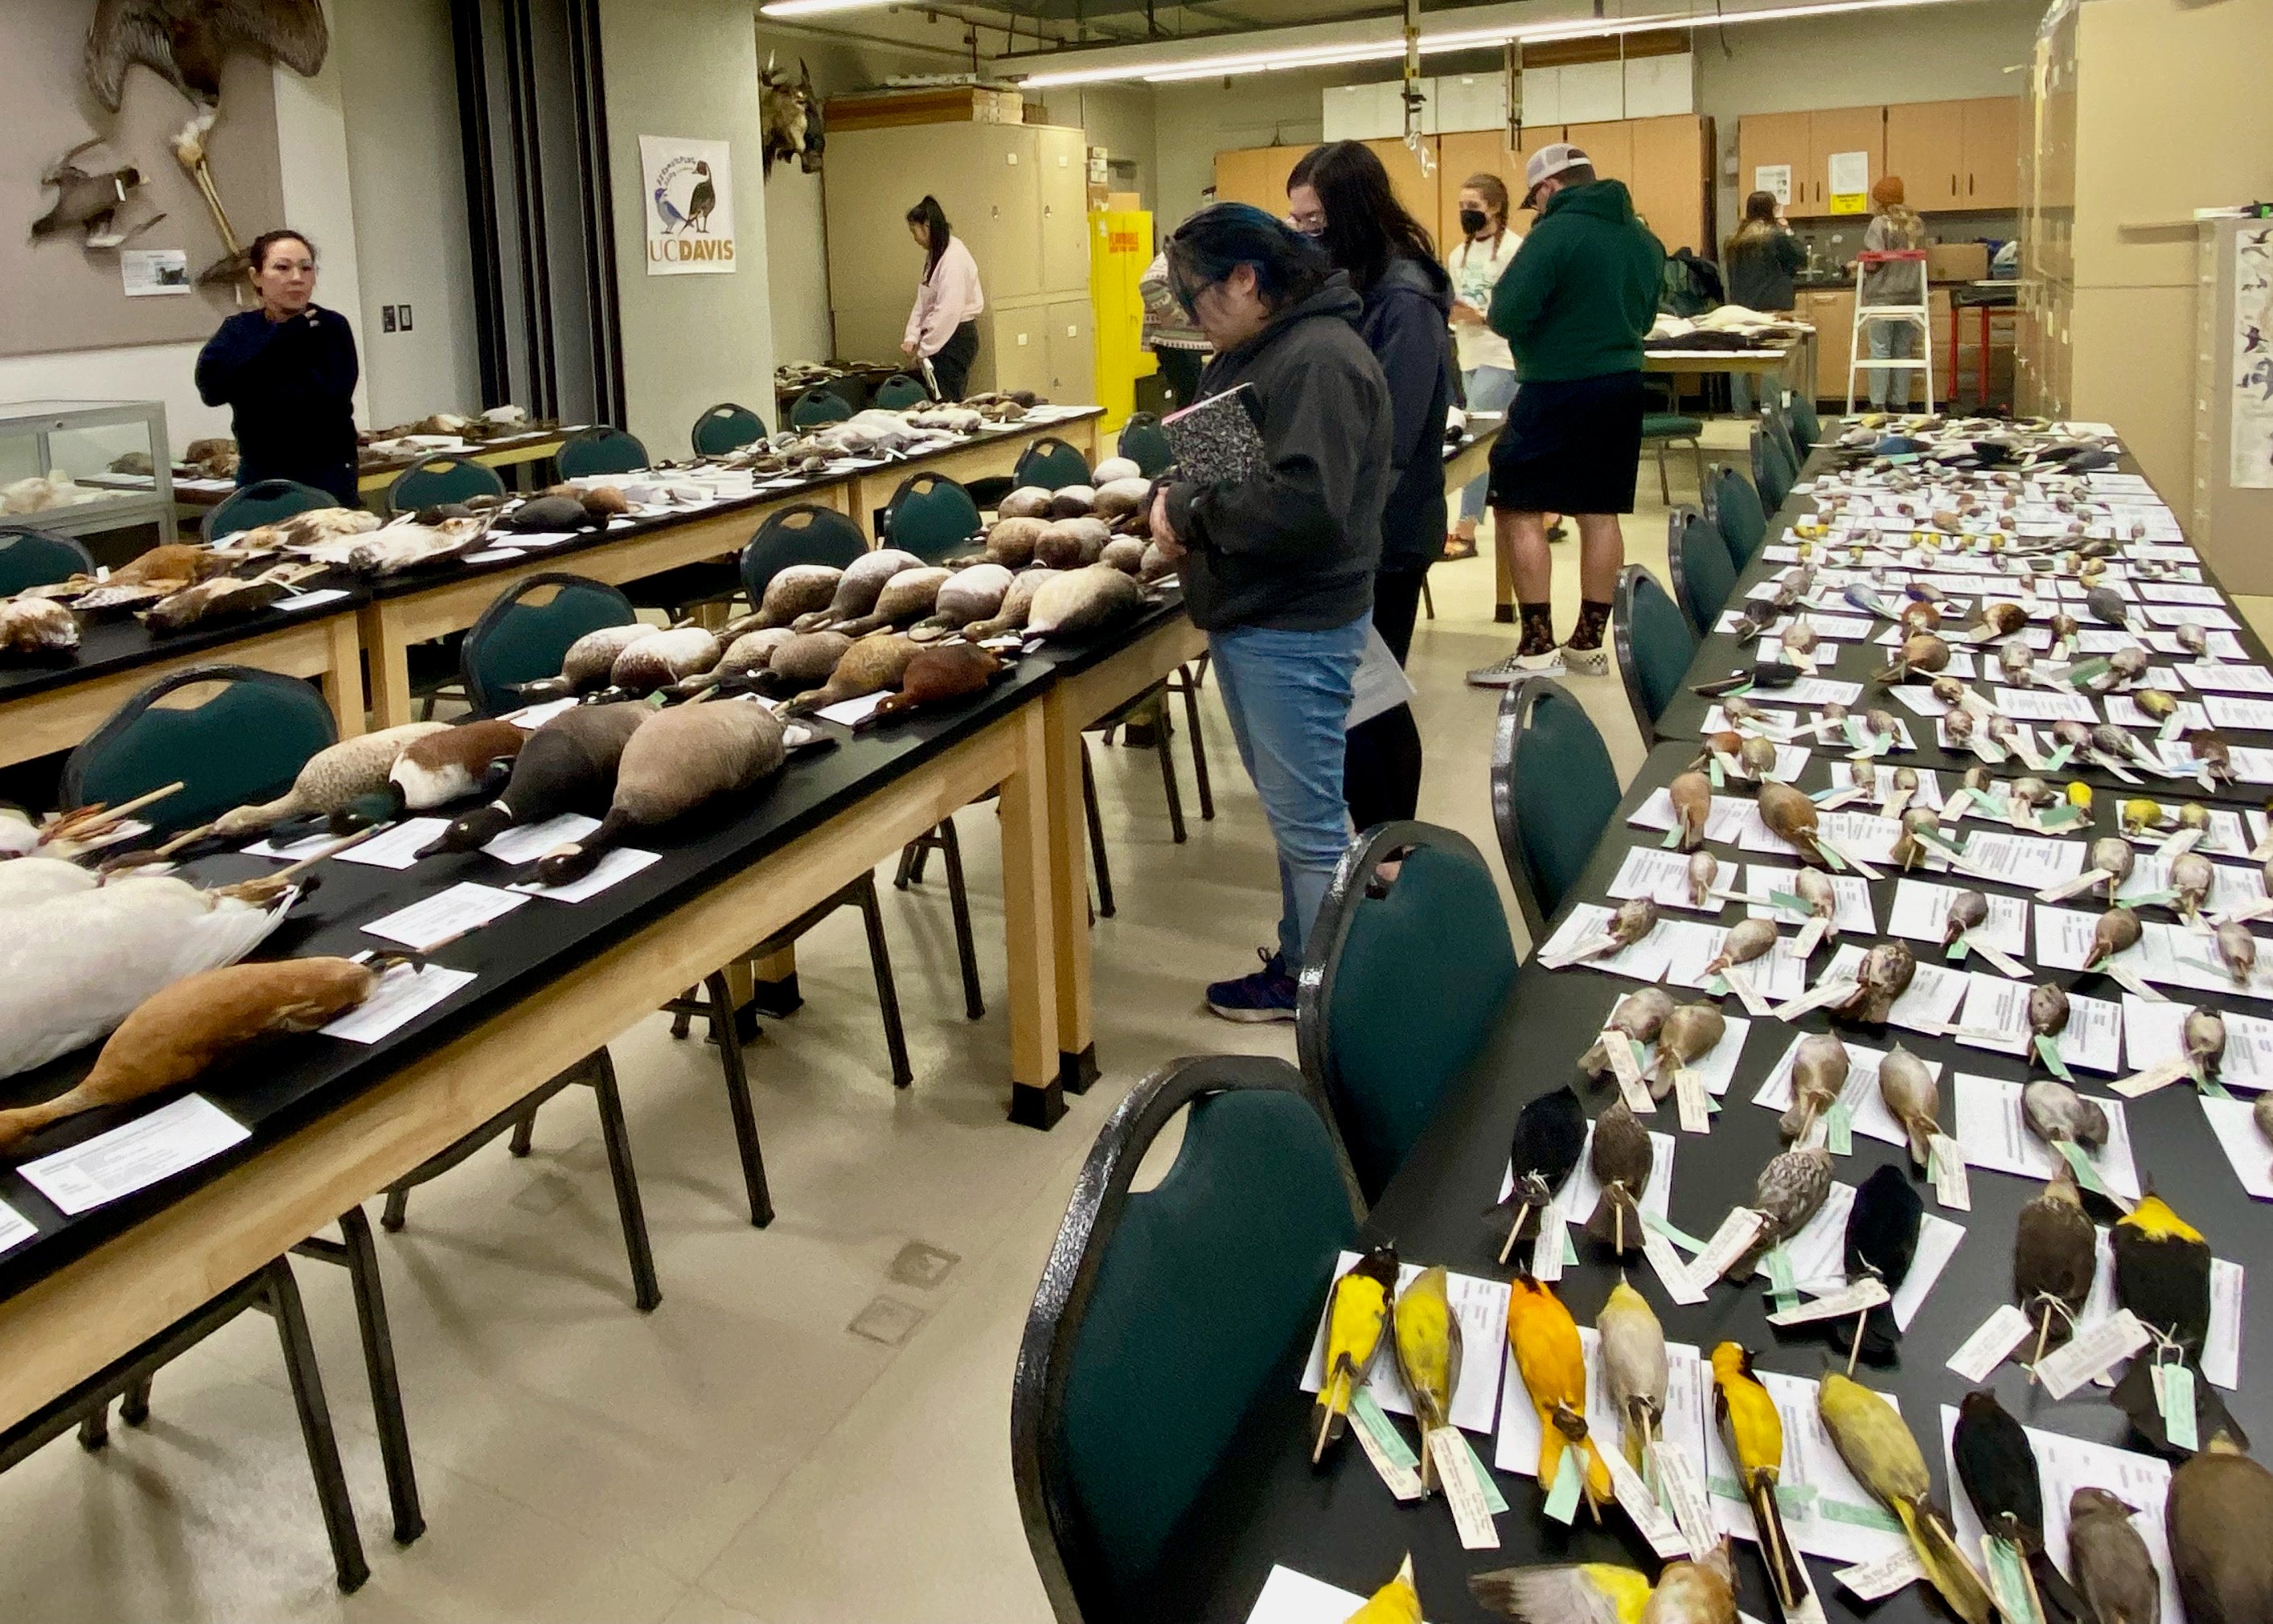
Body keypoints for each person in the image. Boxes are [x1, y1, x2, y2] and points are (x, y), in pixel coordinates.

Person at [1147, 203, 1391, 1021]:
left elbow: (1305, 507)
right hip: (1254, 613)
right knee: (1299, 817)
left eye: (1196, 298)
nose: (1189, 318)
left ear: (1247, 278)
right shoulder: (1255, 348)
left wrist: (1191, 514)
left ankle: (1334, 999)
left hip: (1294, 624)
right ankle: (1301, 963)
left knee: (1313, 825)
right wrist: (1185, 497)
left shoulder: (1317, 359)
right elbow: (1227, 474)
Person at [1285, 141, 1450, 838]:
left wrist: (1328, 524)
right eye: (1294, 222)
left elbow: (1388, 439)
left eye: (1314, 221)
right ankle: (1378, 851)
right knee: (1357, 708)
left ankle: (1388, 854)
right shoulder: (1333, 296)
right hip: (1345, 535)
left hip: (1376, 538)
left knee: (1370, 706)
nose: (1302, 237)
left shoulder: (1399, 301)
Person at [1467, 143, 1664, 685]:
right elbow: (1645, 318)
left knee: (1517, 506)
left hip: (1555, 387)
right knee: (1598, 512)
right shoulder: (1644, 239)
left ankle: (1534, 650)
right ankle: (1586, 646)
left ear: (1548, 189)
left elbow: (1505, 314)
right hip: (1621, 386)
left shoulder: (1553, 234)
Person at [194, 229, 359, 507]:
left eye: (306, 268)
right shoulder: (238, 331)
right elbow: (213, 390)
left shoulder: (331, 327)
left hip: (326, 471)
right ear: (256, 277)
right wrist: (284, 338)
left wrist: (256, 377)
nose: (297, 278)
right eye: (282, 267)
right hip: (261, 472)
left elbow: (327, 400)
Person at [1443, 173, 1523, 561]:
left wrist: (1484, 318)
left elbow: (1519, 307)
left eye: (1472, 206)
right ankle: (1546, 514)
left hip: (1501, 354)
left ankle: (1466, 528)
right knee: (1499, 440)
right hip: (1469, 352)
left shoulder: (1514, 249)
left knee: (1475, 440)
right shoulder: (1459, 255)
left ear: (1494, 207)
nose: (1466, 213)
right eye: (1461, 207)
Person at [1723, 188, 1806, 418]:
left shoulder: (1734, 239)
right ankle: (1769, 409)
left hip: (1740, 306)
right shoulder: (1775, 236)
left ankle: (1740, 409)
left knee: (1740, 360)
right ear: (1771, 209)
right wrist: (1786, 228)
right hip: (1773, 305)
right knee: (1772, 357)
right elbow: (1800, 258)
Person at [901, 195, 984, 400]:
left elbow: (948, 312)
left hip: (955, 337)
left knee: (946, 399)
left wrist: (925, 349)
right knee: (936, 397)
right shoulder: (936, 254)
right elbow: (924, 299)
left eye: (915, 231)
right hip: (942, 336)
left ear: (926, 226)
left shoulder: (953, 257)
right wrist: (912, 336)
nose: (914, 238)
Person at [1859, 176, 1927, 410]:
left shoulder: (1879, 224)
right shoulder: (1915, 224)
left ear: (1878, 201)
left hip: (1883, 297)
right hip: (1911, 297)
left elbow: (1876, 259)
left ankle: (1878, 404)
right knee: (1902, 351)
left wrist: (1858, 264)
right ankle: (1900, 403)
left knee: (1880, 350)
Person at [1139, 247, 1211, 408]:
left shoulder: (1192, 257)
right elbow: (1149, 282)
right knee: (1190, 399)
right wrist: (1171, 314)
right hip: (1176, 342)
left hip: (1187, 342)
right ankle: (1185, 433)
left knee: (1193, 397)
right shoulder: (1176, 257)